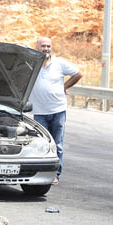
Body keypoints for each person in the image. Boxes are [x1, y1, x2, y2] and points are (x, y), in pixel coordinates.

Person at [29, 37, 83, 185]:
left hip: (58, 110)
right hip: (40, 112)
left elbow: (78, 74)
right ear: (37, 48)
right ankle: (40, 173)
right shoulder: (32, 65)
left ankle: (55, 175)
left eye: (48, 46)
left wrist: (65, 87)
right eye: (43, 46)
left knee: (58, 144)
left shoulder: (59, 63)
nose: (46, 48)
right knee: (42, 144)